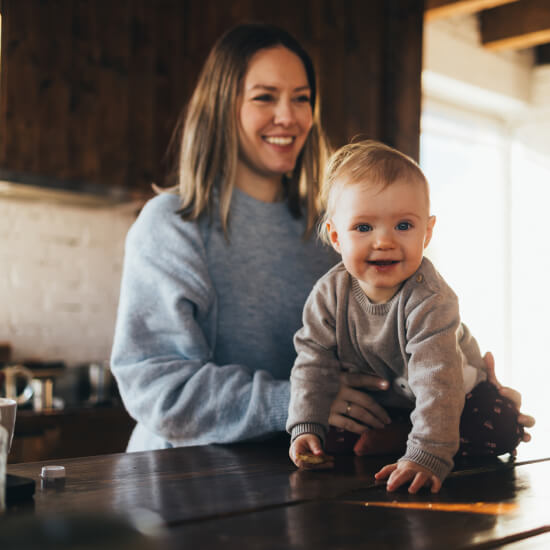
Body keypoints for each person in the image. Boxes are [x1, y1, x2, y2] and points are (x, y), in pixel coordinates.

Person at [111, 23, 533, 455]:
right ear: (222, 106)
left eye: (301, 98)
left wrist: (470, 390)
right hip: (180, 477)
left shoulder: (339, 228)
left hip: (302, 471)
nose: (288, 116)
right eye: (264, 97)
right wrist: (298, 401)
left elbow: (407, 325)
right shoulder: (172, 225)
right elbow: (154, 385)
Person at [287, 140, 531, 493]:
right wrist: (306, 426)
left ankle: (418, 440)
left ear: (427, 232)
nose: (384, 241)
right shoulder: (328, 295)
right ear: (336, 237)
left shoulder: (430, 299)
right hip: (391, 401)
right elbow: (312, 361)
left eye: (403, 226)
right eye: (364, 227)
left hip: (454, 395)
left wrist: (428, 454)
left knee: (500, 425)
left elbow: (437, 382)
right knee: (332, 435)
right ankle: (401, 434)